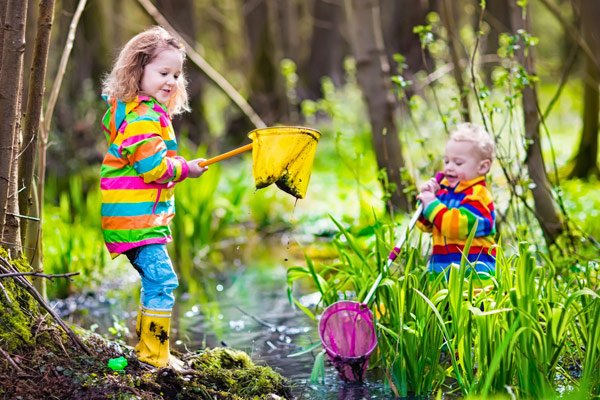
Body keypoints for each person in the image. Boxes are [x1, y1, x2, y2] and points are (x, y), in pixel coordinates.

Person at [100, 26, 207, 369]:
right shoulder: (142, 118)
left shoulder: (141, 112)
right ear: (137, 70)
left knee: (156, 281)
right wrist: (185, 168)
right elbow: (154, 168)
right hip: (135, 220)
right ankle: (154, 355)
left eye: (176, 74)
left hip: (138, 218)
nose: (172, 81)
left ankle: (151, 351)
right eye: (163, 72)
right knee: (163, 280)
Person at [416, 123, 496, 284]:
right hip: (442, 277)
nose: (449, 168)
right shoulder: (444, 192)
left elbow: (454, 226)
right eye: (446, 161)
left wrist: (432, 204)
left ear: (482, 167)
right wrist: (426, 202)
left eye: (458, 163)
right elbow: (427, 226)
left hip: (474, 281)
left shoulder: (479, 197)